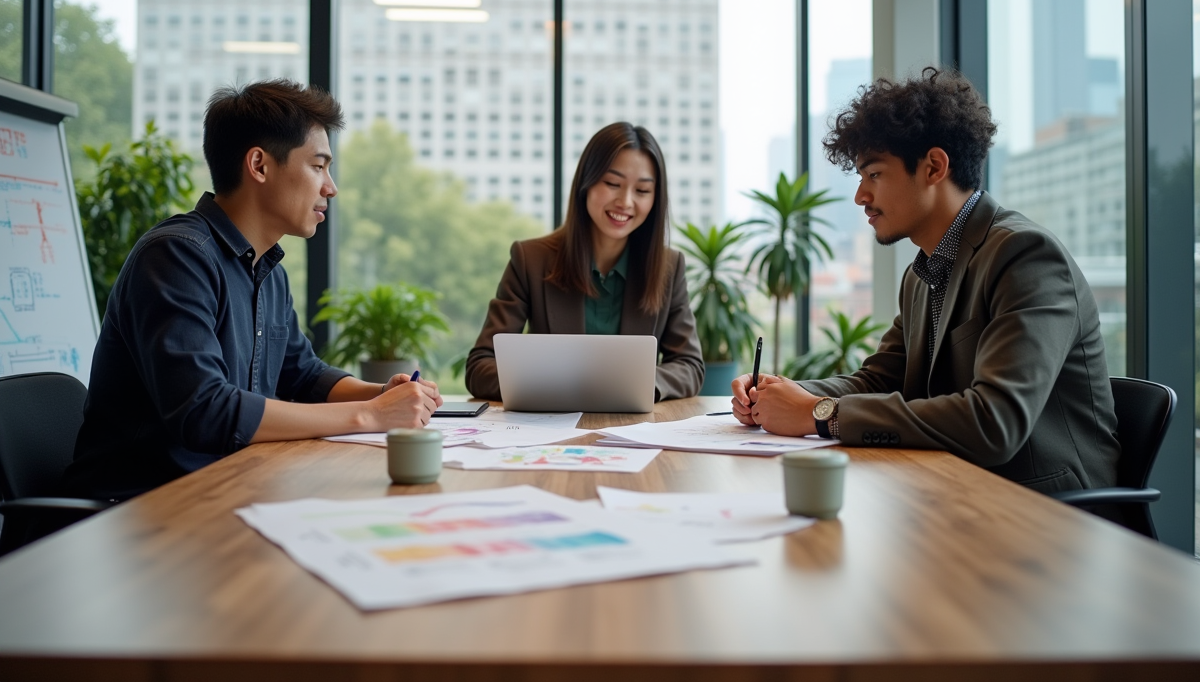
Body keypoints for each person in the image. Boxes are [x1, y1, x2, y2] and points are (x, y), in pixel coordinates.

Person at [732, 68, 1119, 494]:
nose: (860, 196)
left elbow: (996, 422)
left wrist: (820, 413)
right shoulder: (922, 275)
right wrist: (781, 394)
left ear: (934, 167)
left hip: (1048, 509)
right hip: (954, 491)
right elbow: (878, 382)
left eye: (874, 175)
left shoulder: (1024, 256)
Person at [64, 80, 442, 500]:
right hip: (138, 506)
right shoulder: (176, 256)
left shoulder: (267, 269)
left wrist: (384, 395)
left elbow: (303, 374)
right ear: (259, 165)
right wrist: (369, 415)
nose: (330, 187)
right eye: (318, 166)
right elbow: (205, 410)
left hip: (227, 489)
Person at [466, 122, 704, 402]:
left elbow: (690, 366)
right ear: (586, 183)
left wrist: (638, 383)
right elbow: (480, 366)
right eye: (612, 184)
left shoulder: (668, 268)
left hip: (635, 423)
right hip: (551, 423)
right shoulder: (530, 260)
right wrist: (558, 384)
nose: (625, 201)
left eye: (642, 190)